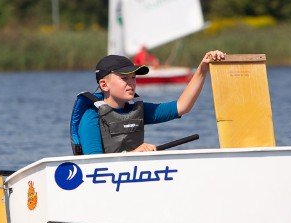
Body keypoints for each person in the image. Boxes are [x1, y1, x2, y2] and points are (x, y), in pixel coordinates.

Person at [71, 50, 226, 155]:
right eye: (124, 78)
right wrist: (133, 154)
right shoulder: (91, 117)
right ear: (104, 85)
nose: (131, 83)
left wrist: (202, 68)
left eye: (133, 78)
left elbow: (182, 106)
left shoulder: (138, 110)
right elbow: (94, 166)